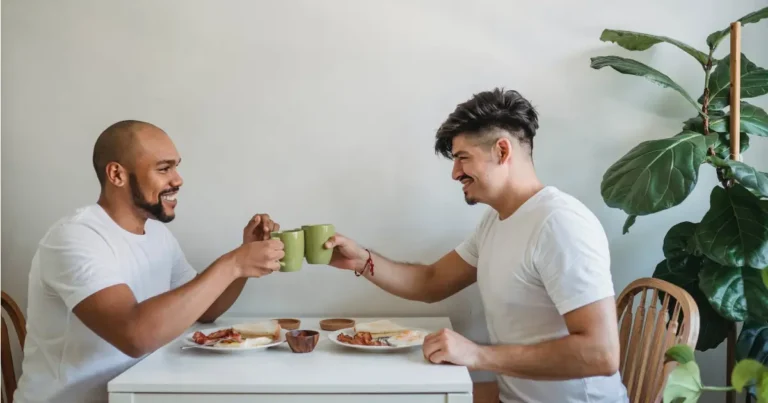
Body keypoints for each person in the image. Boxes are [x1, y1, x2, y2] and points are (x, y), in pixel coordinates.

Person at [324, 89, 629, 402]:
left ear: (502, 151)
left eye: (462, 158)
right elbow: (431, 282)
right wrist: (361, 260)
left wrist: (478, 355)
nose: (455, 173)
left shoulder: (560, 223)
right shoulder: (496, 221)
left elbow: (600, 354)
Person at [14, 120, 286, 403]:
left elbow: (203, 309)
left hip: (140, 394)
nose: (178, 179)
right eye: (164, 168)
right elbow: (134, 336)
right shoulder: (75, 237)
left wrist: (243, 259)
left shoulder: (157, 233)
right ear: (117, 174)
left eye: (176, 167)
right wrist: (233, 264)